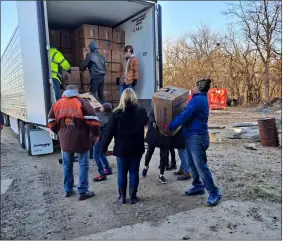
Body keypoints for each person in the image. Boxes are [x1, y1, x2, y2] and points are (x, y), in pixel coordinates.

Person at [165, 79, 222, 206]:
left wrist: (170, 126)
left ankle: (214, 193)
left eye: (195, 86)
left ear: (199, 88)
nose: (193, 88)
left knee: (200, 166)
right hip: (192, 136)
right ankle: (198, 186)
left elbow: (185, 116)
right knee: (191, 164)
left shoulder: (197, 100)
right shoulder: (199, 99)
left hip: (197, 137)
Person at [48, 85, 100, 201]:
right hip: (81, 139)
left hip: (65, 140)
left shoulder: (57, 104)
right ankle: (82, 191)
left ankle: (68, 189)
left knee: (67, 165)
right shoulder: (82, 102)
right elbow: (93, 121)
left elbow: (51, 121)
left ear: (66, 92)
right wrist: (96, 135)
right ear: (76, 92)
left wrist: (59, 132)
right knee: (83, 164)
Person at [101, 88, 148, 204]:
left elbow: (109, 131)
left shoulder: (116, 113)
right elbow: (146, 122)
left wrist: (103, 148)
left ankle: (122, 197)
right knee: (134, 171)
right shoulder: (141, 110)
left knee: (122, 172)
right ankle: (133, 196)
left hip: (122, 148)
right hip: (137, 147)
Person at [142, 108, 190, 184]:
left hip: (165, 133)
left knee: (164, 155)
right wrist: (152, 122)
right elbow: (151, 114)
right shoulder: (157, 106)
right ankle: (146, 166)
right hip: (154, 133)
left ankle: (161, 174)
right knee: (149, 152)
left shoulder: (172, 107)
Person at [93, 102, 113, 182]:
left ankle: (101, 173)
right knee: (101, 153)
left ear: (103, 109)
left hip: (99, 138)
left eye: (101, 107)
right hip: (104, 138)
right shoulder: (108, 116)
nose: (100, 107)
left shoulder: (100, 116)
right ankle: (107, 169)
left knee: (96, 155)